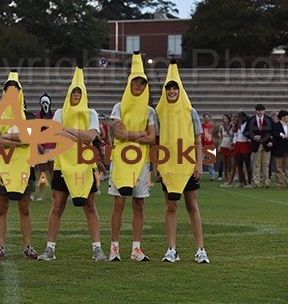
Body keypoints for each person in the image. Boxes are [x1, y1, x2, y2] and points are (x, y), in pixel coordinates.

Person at [37, 67, 107, 262]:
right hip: (62, 166)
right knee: (57, 205)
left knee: (90, 205)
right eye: (73, 92)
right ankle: (50, 248)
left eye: (79, 92)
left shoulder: (90, 113)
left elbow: (92, 135)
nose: (76, 95)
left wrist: (68, 130)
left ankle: (97, 249)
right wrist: (79, 136)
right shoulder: (60, 111)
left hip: (85, 165)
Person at [154, 60, 209, 264]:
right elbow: (157, 142)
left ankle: (200, 249)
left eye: (175, 88)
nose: (171, 91)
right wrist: (156, 166)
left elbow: (197, 141)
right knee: (170, 206)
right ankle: (171, 248)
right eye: (168, 88)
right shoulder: (159, 113)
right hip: (168, 166)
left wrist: (198, 164)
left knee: (192, 205)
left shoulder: (190, 112)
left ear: (180, 90)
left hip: (187, 165)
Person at [108, 52, 156, 262]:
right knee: (119, 203)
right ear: (130, 83)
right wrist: (139, 135)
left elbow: (152, 138)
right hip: (121, 162)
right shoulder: (119, 107)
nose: (139, 85)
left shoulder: (149, 111)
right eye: (136, 82)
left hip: (142, 162)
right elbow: (117, 134)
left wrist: (131, 135)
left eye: (142, 83)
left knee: (139, 204)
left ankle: (136, 248)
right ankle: (114, 247)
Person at [0, 70, 38, 260]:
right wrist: (14, 142)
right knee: (2, 208)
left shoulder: (29, 116)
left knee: (24, 207)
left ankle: (28, 246)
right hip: (3, 165)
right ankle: (0, 246)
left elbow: (29, 138)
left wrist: (6, 138)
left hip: (25, 166)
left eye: (14, 90)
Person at [244, 104, 274, 188]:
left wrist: (271, 141)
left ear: (264, 111)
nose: (260, 112)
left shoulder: (269, 119)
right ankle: (256, 182)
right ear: (256, 111)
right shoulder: (251, 120)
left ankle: (266, 182)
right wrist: (253, 137)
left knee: (266, 164)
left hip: (267, 144)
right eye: (258, 110)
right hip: (256, 144)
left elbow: (274, 132)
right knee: (257, 164)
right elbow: (245, 132)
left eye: (262, 110)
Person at [35, 93, 56, 201]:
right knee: (42, 171)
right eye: (43, 102)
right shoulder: (38, 116)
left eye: (46, 102)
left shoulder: (54, 115)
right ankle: (41, 194)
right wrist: (39, 145)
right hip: (41, 147)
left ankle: (54, 194)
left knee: (53, 171)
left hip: (52, 146)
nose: (45, 104)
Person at [233, 112, 253, 188]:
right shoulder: (238, 125)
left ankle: (249, 182)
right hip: (238, 144)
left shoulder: (248, 124)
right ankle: (242, 181)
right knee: (239, 164)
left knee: (247, 164)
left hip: (245, 143)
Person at [272, 110, 288, 188]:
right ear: (283, 117)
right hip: (279, 148)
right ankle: (279, 183)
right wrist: (279, 134)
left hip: (287, 148)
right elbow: (273, 133)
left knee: (287, 167)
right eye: (286, 116)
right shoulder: (276, 125)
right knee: (279, 167)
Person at [218, 114, 235, 187]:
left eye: (226, 118)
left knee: (231, 164)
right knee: (224, 164)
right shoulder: (221, 127)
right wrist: (219, 146)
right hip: (223, 145)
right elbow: (221, 137)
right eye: (224, 118)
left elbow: (234, 135)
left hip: (230, 146)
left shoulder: (232, 126)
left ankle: (230, 180)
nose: (225, 120)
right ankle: (226, 180)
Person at [201, 113, 216, 180]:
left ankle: (212, 176)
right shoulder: (201, 126)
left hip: (210, 144)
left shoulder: (211, 126)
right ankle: (199, 174)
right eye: (205, 117)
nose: (206, 119)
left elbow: (212, 135)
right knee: (200, 161)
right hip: (203, 145)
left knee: (211, 162)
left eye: (208, 117)